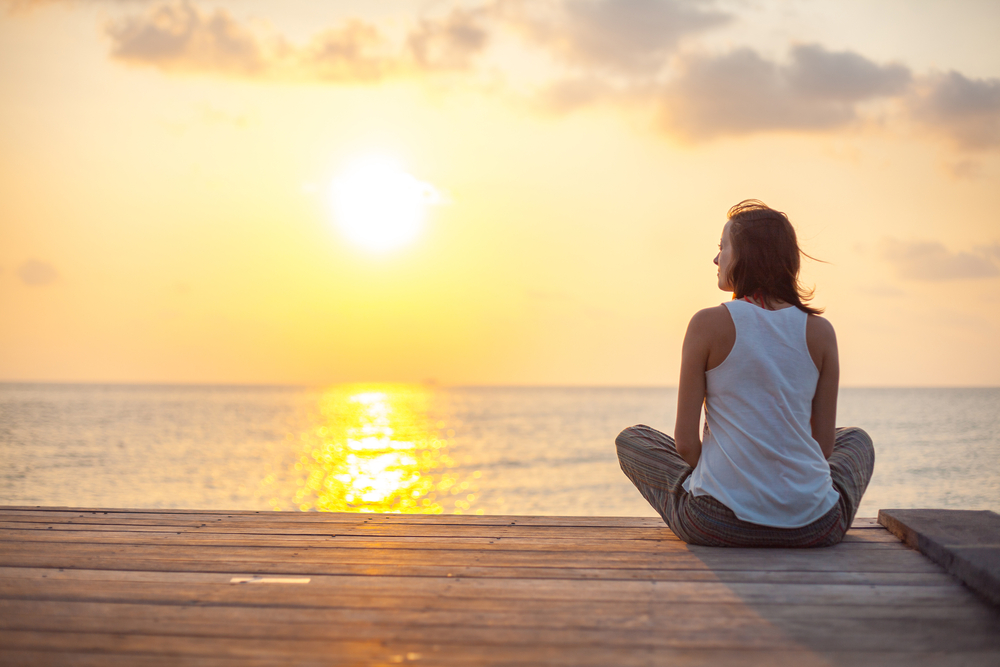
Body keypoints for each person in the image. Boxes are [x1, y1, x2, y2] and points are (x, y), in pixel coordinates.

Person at [616, 200, 874, 547]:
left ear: (746, 257)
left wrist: (730, 473)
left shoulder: (706, 324)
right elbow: (823, 447)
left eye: (722, 247)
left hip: (715, 522)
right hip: (814, 525)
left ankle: (731, 488)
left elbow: (685, 445)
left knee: (632, 438)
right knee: (856, 440)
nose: (716, 258)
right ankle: (779, 497)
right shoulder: (821, 332)